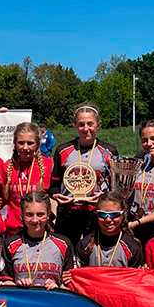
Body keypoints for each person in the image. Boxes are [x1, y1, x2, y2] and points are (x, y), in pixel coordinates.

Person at [50, 105, 118, 246]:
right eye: (81, 124)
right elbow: (54, 186)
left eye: (90, 124)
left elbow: (116, 187)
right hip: (68, 212)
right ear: (75, 125)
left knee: (94, 254)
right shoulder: (63, 150)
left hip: (97, 213)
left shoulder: (109, 151)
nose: (86, 128)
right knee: (65, 251)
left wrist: (105, 196)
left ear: (98, 125)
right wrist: (57, 196)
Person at [0, 191, 74, 290]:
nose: (35, 220)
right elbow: (6, 281)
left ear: (48, 214)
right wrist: (18, 285)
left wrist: (57, 288)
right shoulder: (10, 244)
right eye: (29, 215)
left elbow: (68, 286)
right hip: (22, 302)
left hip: (52, 302)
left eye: (40, 214)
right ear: (22, 215)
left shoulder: (64, 244)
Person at [70, 191, 144, 272]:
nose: (108, 220)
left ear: (123, 215)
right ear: (97, 215)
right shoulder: (85, 244)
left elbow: (136, 279)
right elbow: (78, 274)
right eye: (102, 214)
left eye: (114, 215)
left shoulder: (132, 247)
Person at [4, 122, 53, 235]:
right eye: (21, 143)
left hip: (39, 229)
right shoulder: (6, 167)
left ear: (38, 144)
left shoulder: (48, 165)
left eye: (30, 143)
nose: (25, 147)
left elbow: (52, 198)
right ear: (15, 143)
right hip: (13, 230)